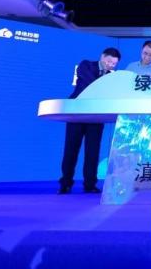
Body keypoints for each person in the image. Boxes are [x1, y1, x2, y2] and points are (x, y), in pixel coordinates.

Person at [58, 47, 121, 194]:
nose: (110, 65)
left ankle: (90, 184)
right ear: (102, 57)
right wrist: (107, 82)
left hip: (96, 117)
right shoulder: (86, 65)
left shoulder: (111, 77)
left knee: (93, 152)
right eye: (109, 61)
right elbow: (90, 82)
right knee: (71, 150)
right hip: (77, 114)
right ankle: (65, 183)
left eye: (114, 64)